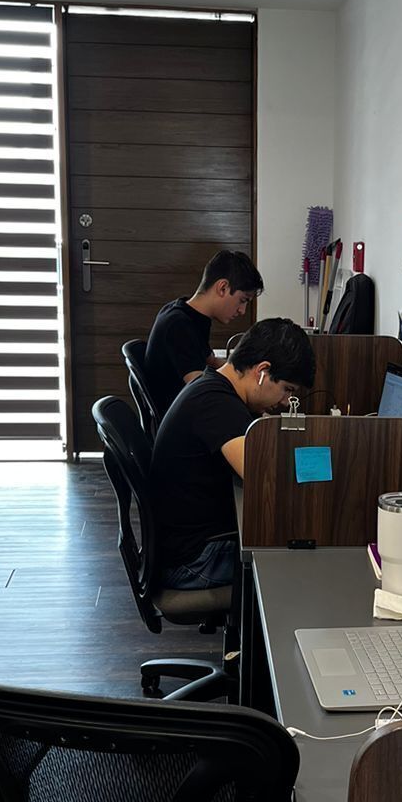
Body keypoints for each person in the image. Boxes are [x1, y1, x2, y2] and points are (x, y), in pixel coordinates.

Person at [150, 318, 316, 589]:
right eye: (287, 389)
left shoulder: (213, 386)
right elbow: (265, 480)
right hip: (193, 561)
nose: (286, 402)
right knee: (300, 563)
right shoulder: (217, 404)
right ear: (262, 371)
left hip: (187, 543)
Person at [144, 249, 264, 418]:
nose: (242, 310)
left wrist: (247, 373)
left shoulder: (189, 314)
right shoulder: (178, 324)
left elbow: (212, 361)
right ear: (223, 288)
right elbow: (201, 389)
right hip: (181, 419)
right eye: (242, 300)